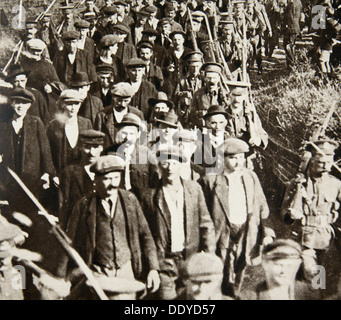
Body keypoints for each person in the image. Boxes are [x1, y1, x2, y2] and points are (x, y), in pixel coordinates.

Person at [55, 155, 160, 300]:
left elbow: (146, 236)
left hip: (126, 273)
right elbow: (68, 243)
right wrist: (60, 278)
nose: (113, 184)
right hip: (98, 274)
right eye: (107, 179)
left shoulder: (130, 201)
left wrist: (153, 268)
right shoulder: (83, 206)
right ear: (96, 180)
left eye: (116, 178)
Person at [200, 138, 275, 298]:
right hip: (222, 232)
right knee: (221, 268)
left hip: (245, 230)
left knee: (241, 266)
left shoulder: (250, 177)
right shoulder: (210, 180)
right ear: (223, 158)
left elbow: (262, 206)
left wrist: (266, 232)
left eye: (241, 157)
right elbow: (203, 213)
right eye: (233, 158)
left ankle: (234, 294)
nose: (238, 162)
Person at [141, 146, 216, 300]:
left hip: (189, 260)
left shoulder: (194, 189)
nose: (170, 168)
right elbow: (145, 234)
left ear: (181, 164)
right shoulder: (149, 195)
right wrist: (153, 266)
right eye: (165, 163)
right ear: (159, 165)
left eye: (174, 163)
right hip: (164, 262)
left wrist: (209, 257)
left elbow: (206, 225)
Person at [280, 139, 341, 296]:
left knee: (325, 280)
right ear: (311, 159)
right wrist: (291, 215)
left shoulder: (336, 184)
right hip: (304, 238)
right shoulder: (298, 183)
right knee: (311, 275)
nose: (325, 165)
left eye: (329, 160)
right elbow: (285, 213)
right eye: (321, 161)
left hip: (327, 238)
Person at [238, 239, 320, 300]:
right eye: (278, 265)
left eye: (289, 266)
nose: (284, 271)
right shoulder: (248, 297)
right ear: (265, 264)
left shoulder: (308, 294)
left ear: (297, 266)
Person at [46, 89, 92, 176]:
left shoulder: (86, 123)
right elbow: (48, 153)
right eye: (69, 104)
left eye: (76, 104)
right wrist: (53, 175)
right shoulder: (54, 125)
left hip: (82, 174)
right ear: (63, 105)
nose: (73, 108)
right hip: (60, 174)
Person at [94, 82, 144, 147]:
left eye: (126, 101)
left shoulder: (138, 114)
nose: (122, 104)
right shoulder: (101, 116)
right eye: (119, 100)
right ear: (113, 97)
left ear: (131, 98)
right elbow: (97, 140)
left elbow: (143, 138)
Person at [190, 62, 229, 129]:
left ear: (219, 78)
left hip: (220, 129)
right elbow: (192, 115)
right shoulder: (198, 94)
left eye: (214, 78)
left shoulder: (225, 95)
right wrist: (200, 115)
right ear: (204, 78)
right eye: (209, 78)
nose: (211, 81)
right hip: (203, 130)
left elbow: (229, 115)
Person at [173, 51, 203, 127]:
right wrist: (183, 95)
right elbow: (175, 96)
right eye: (193, 66)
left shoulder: (203, 80)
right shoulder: (183, 81)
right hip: (186, 113)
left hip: (200, 113)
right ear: (188, 67)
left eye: (197, 66)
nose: (195, 69)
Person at [282, 0, 302, 70]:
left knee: (287, 46)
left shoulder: (291, 4)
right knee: (291, 45)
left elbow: (289, 17)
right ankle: (292, 64)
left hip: (290, 28)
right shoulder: (299, 2)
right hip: (296, 27)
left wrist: (285, 26)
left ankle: (291, 65)